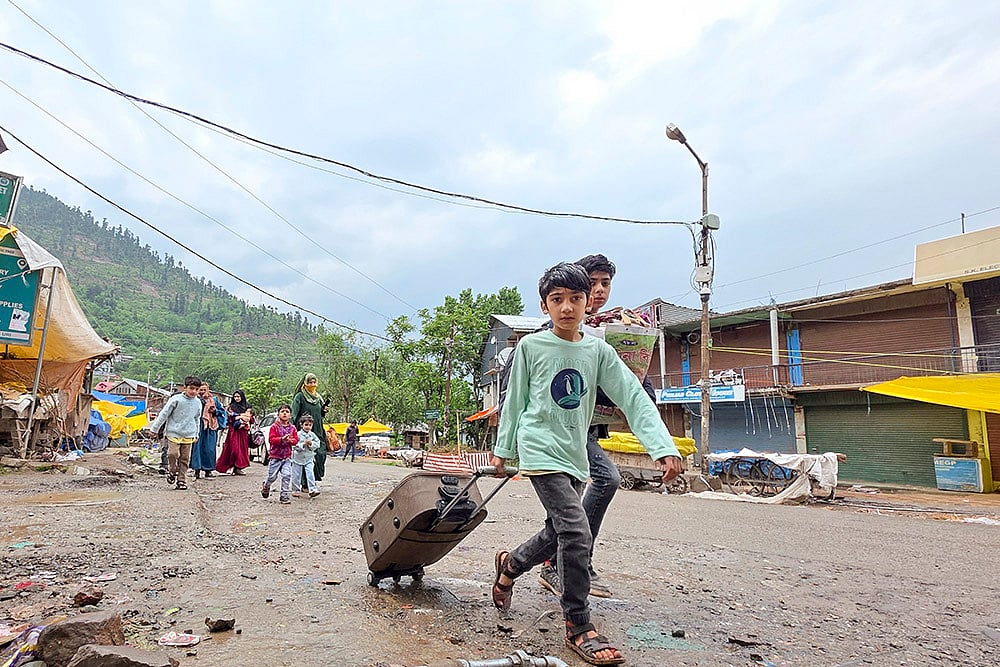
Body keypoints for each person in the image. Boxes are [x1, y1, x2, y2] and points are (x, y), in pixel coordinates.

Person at [490, 263, 682, 666]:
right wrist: (503, 450)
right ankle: (578, 624)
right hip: (540, 450)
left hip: (574, 452)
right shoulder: (531, 347)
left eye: (575, 299)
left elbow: (632, 396)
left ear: (585, 304)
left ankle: (510, 566)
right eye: (557, 299)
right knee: (577, 532)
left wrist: (662, 445)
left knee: (557, 531)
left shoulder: (598, 351)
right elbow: (514, 401)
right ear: (544, 305)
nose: (566, 307)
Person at [537, 253, 654, 599]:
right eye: (593, 283)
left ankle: (544, 564)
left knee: (565, 513)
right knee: (605, 480)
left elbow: (637, 384)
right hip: (557, 431)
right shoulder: (554, 334)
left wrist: (641, 398)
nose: (600, 290)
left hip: (587, 429)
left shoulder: (610, 332)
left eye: (606, 283)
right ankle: (568, 566)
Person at [147, 376, 204, 491]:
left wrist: (196, 433)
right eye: (191, 388)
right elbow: (164, 414)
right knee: (172, 454)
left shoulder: (198, 403)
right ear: (185, 388)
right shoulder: (176, 400)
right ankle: (172, 470)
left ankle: (181, 480)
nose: (193, 391)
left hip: (189, 434)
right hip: (174, 433)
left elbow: (197, 419)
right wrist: (154, 429)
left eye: (196, 389)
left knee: (185, 458)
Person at [292, 373, 328, 485]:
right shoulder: (300, 397)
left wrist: (324, 411)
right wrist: (293, 430)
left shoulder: (318, 398)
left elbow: (320, 414)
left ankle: (312, 479)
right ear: (305, 383)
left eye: (314, 382)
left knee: (320, 454)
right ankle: (305, 483)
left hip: (317, 430)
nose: (312, 384)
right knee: (304, 455)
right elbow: (294, 414)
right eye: (310, 382)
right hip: (303, 431)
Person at [262, 404, 297, 505]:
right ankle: (266, 485)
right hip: (275, 457)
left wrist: (290, 441)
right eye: (282, 411)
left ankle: (284, 496)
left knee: (287, 475)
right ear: (278, 414)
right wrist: (281, 439)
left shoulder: (292, 428)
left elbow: (296, 440)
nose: (284, 413)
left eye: (287, 411)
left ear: (290, 415)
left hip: (287, 457)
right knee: (272, 477)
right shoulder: (274, 427)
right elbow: (271, 439)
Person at [191, 382, 227, 479]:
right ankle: (197, 470)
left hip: (210, 427)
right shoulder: (194, 400)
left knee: (210, 449)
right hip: (198, 427)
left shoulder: (214, 400)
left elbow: (222, 412)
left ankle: (208, 470)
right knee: (197, 448)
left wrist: (215, 411)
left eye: (204, 390)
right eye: (200, 390)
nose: (202, 392)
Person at [216, 389, 254, 475]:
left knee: (242, 450)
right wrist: (240, 417)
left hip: (243, 432)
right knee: (234, 449)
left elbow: (251, 418)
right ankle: (229, 466)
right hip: (234, 431)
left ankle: (238, 467)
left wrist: (244, 418)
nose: (236, 398)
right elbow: (229, 418)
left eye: (238, 396)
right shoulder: (231, 407)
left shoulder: (247, 406)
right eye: (235, 396)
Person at [291, 415, 321, 498]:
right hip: (297, 458)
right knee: (296, 475)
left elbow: (318, 443)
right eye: (306, 425)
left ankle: (312, 489)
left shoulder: (313, 435)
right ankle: (295, 490)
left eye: (310, 425)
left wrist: (311, 444)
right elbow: (294, 445)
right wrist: (303, 444)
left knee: (310, 473)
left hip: (309, 458)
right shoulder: (298, 434)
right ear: (301, 425)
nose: (308, 427)